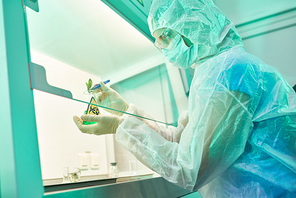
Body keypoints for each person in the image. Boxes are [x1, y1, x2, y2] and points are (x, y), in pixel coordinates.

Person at [73, 0, 296, 197]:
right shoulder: (212, 74)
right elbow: (180, 140)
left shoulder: (229, 73)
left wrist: (118, 127)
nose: (161, 46)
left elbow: (190, 168)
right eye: (157, 40)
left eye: (165, 36)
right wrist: (122, 111)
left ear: (194, 26)